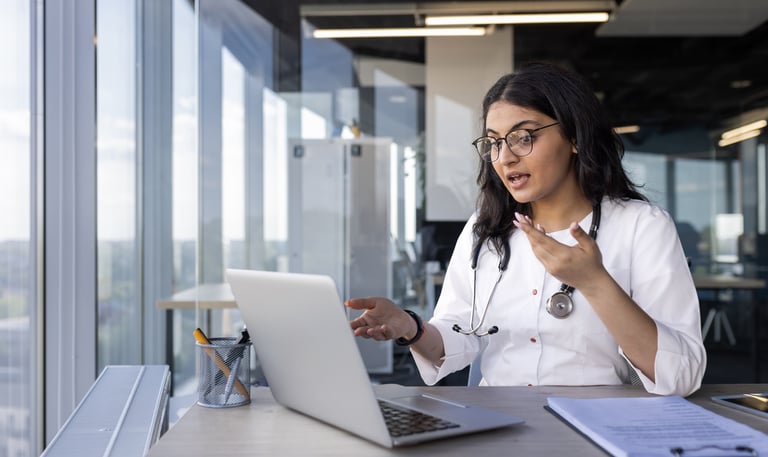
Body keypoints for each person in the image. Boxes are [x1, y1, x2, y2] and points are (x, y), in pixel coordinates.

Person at [345, 62, 706, 396]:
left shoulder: (641, 226)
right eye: (494, 142)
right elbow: (458, 338)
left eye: (524, 137)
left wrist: (595, 283)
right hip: (499, 420)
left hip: (601, 422)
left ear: (575, 137)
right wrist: (410, 327)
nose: (505, 157)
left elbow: (682, 375)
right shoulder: (484, 230)